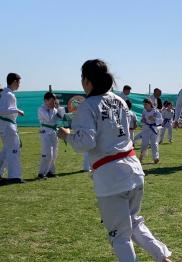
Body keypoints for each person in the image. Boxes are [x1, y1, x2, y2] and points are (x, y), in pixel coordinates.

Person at [57, 59, 171, 262]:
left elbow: (86, 142)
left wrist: (67, 135)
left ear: (87, 81)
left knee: (119, 235)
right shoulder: (118, 100)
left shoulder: (88, 105)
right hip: (133, 170)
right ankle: (163, 258)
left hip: (111, 177)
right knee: (134, 223)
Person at [0, 73, 24, 185]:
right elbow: (3, 110)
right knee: (14, 150)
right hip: (8, 127)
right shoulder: (8, 95)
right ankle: (14, 176)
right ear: (14, 82)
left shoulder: (5, 94)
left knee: (6, 151)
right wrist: (16, 111)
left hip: (7, 126)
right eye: (18, 82)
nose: (19, 85)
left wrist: (15, 110)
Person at [37, 92, 65, 179]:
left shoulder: (55, 109)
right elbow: (48, 119)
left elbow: (61, 117)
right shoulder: (41, 109)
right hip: (45, 132)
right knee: (48, 153)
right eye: (52, 101)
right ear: (46, 100)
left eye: (54, 101)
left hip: (54, 132)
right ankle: (41, 173)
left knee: (55, 153)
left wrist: (59, 108)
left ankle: (51, 171)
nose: (53, 103)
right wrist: (54, 109)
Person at [139, 99, 163, 164]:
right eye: (144, 105)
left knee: (154, 143)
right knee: (144, 143)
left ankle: (156, 158)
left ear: (150, 104)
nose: (144, 106)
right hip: (146, 128)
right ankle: (141, 157)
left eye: (146, 104)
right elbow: (142, 119)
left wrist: (154, 119)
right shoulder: (144, 111)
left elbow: (161, 120)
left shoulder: (155, 111)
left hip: (154, 128)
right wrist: (142, 120)